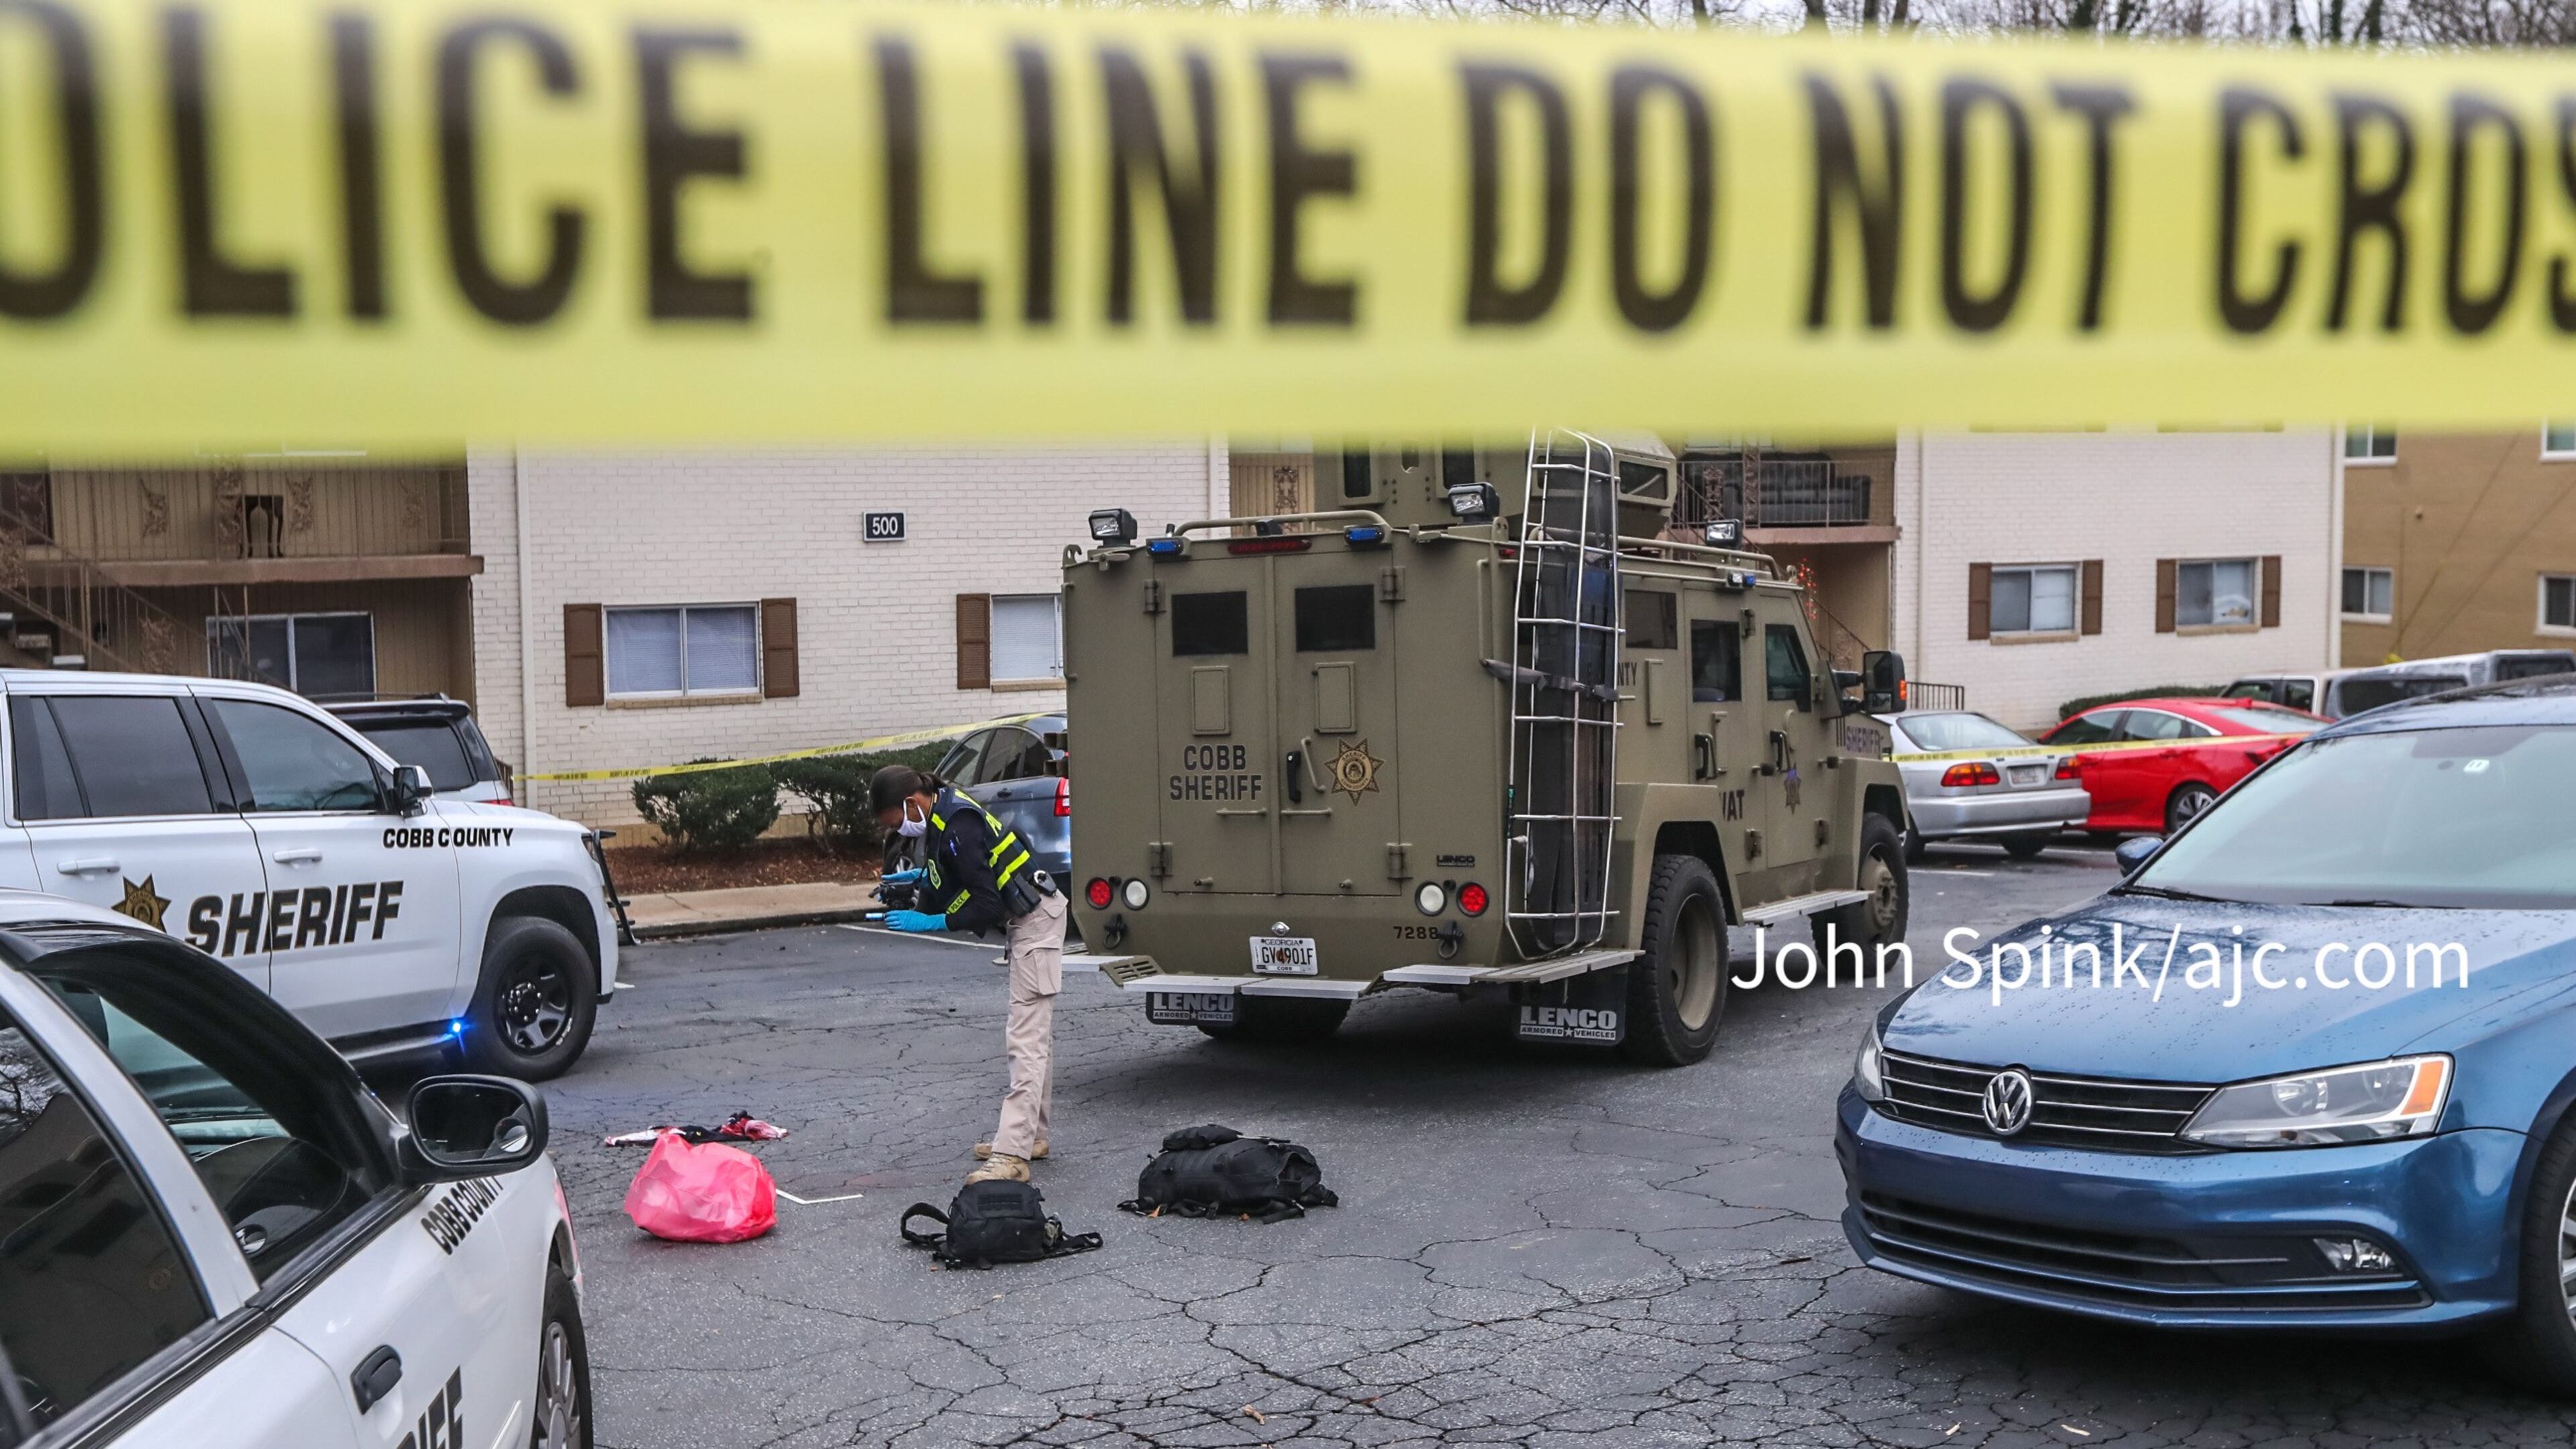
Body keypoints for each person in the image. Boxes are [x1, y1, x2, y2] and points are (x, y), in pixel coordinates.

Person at [869, 765, 1067, 1184]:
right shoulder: (945, 814)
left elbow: (986, 904)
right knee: (1036, 1039)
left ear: (911, 802)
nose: (901, 832)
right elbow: (960, 869)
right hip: (1032, 918)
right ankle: (1031, 1136)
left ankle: (1012, 1155)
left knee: (1025, 1042)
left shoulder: (957, 821)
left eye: (896, 822)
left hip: (1035, 920)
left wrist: (932, 921)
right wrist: (918, 879)